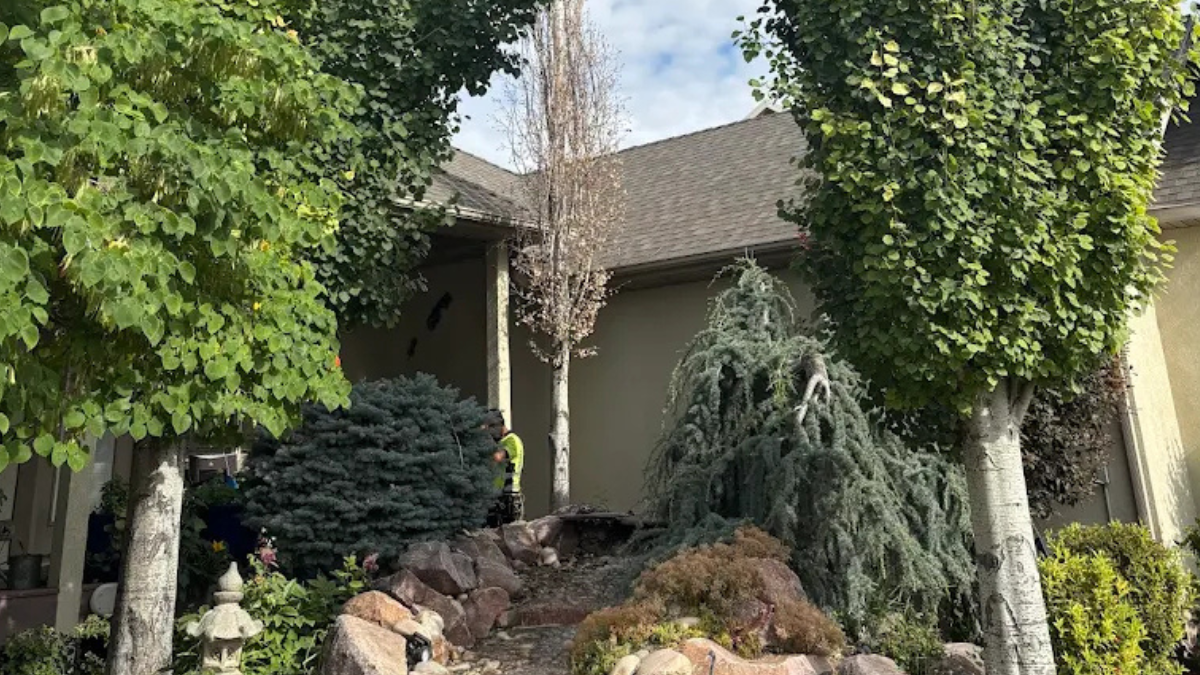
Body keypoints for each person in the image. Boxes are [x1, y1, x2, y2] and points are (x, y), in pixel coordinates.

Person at [484, 410, 525, 526]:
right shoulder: (501, 442)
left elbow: (498, 457)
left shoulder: (512, 440)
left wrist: (486, 441)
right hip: (497, 497)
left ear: (499, 425)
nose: (490, 433)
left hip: (509, 497)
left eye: (491, 429)